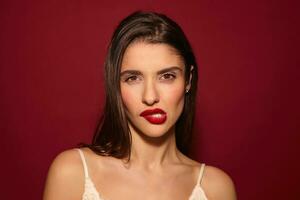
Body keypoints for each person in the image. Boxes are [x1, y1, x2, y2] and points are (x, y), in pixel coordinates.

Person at [43, 11, 237, 200]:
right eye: (133, 78)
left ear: (188, 80)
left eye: (167, 76)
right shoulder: (72, 173)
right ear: (115, 85)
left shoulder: (215, 189)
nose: (150, 97)